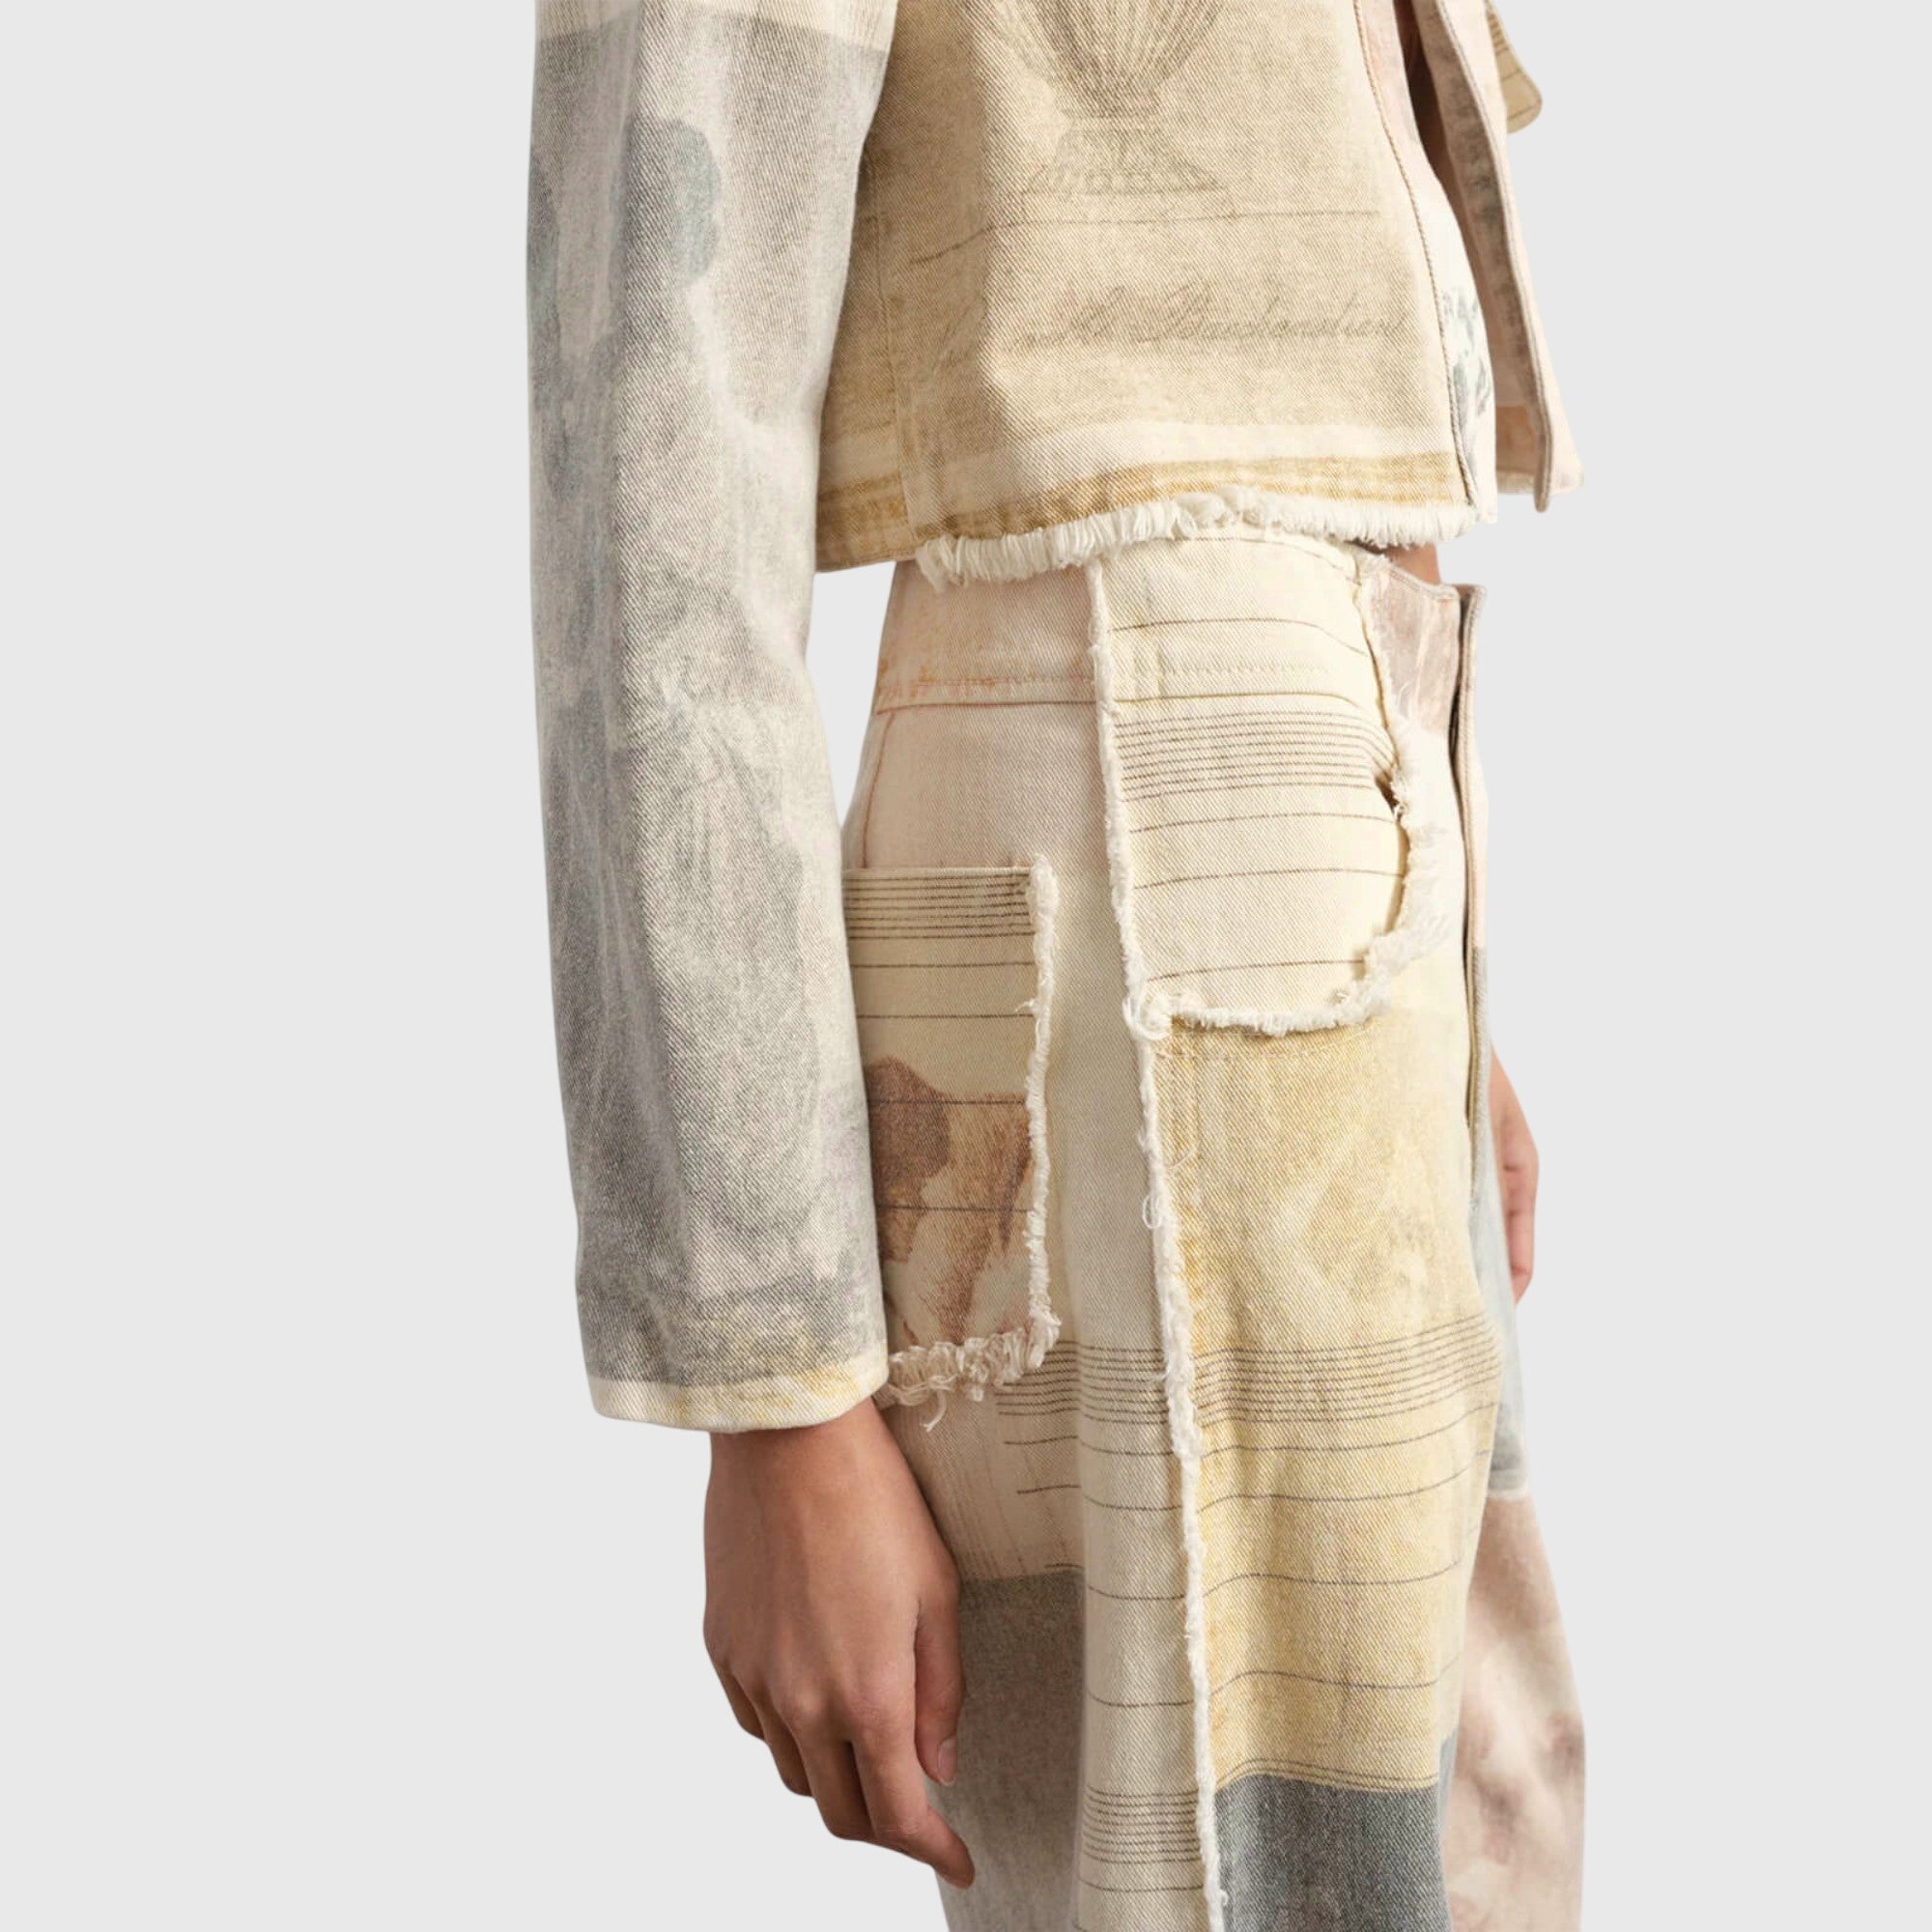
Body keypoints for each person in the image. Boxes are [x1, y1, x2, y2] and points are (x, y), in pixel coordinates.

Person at [526, 0, 1584, 1923]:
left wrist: (1449, 969)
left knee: (1453, 1840)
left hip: (1355, 858)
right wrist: (777, 1390)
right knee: (1226, 1878)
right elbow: (655, 474)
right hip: (1128, 841)